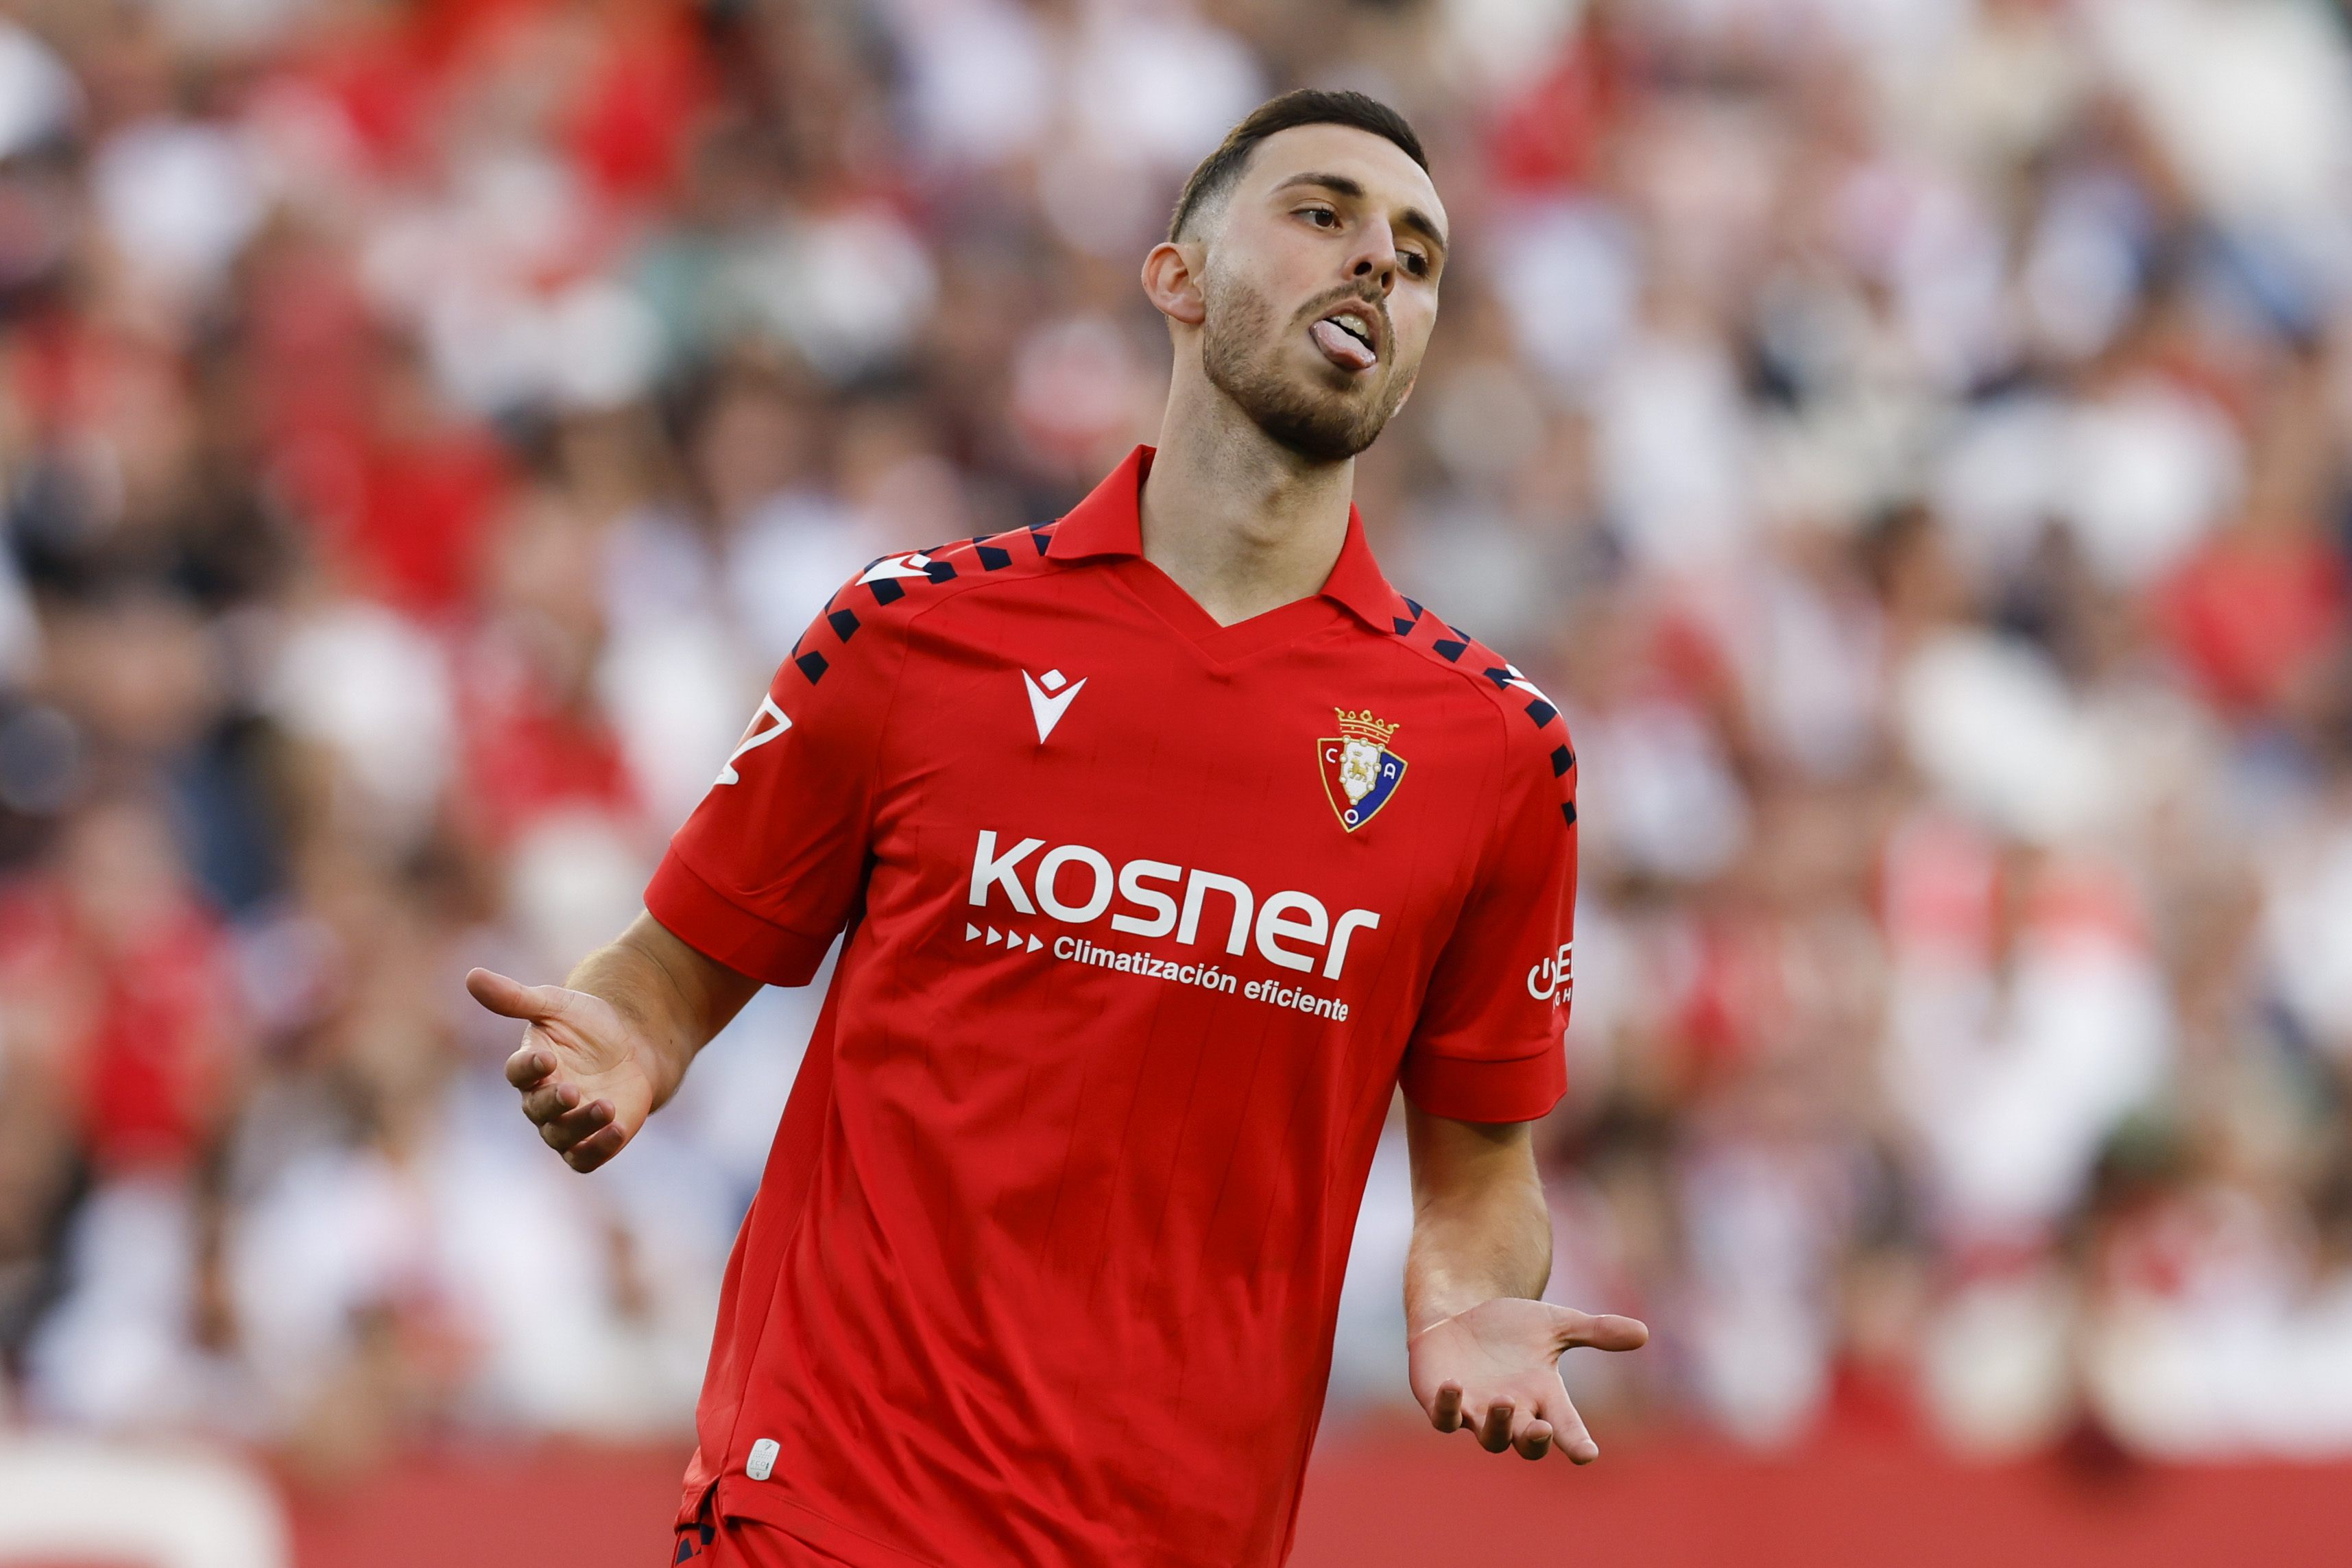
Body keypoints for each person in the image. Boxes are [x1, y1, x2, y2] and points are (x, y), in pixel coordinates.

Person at [466, 88, 1646, 1568]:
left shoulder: (1494, 750)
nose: (1375, 266)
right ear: (1177, 277)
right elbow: (670, 972)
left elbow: (1479, 1174)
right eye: (1321, 215)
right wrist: (624, 1047)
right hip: (832, 1507)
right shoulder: (912, 636)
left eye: (1415, 256)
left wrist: (1467, 1299)